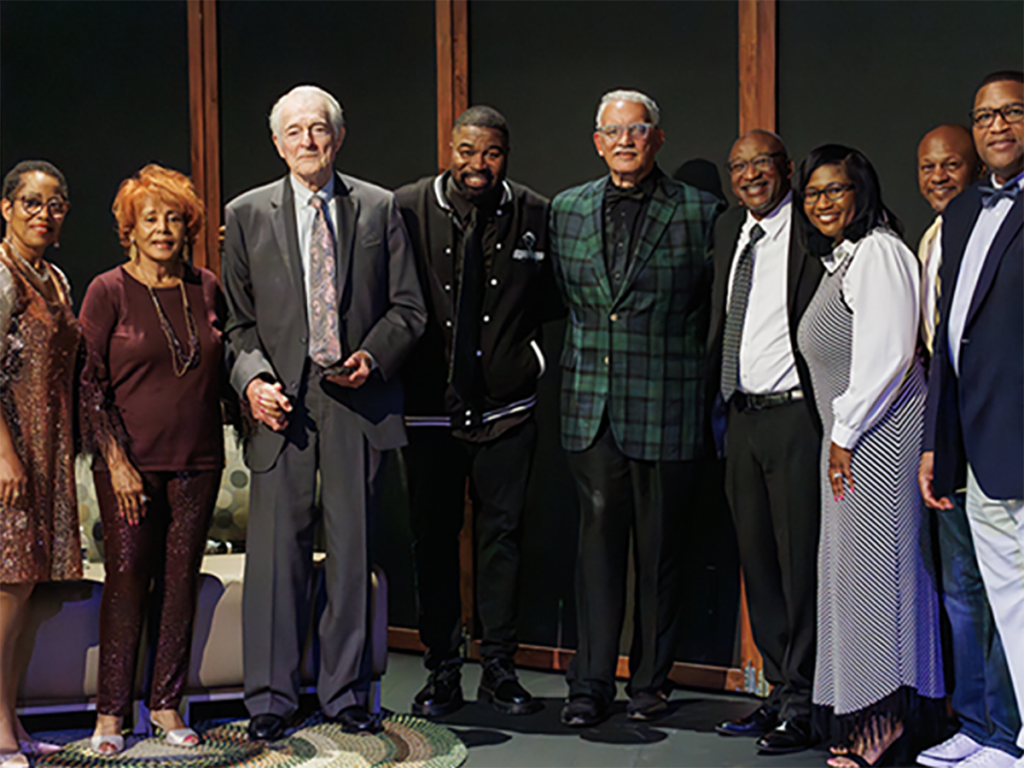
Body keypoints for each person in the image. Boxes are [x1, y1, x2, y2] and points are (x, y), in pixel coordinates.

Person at [222, 84, 426, 741]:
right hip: (282, 406)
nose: (308, 142)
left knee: (350, 551)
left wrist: (374, 356)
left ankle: (346, 696)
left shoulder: (379, 207)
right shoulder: (246, 214)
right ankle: (271, 701)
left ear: (338, 137)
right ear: (276, 143)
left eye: (319, 129)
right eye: (295, 132)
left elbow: (408, 309)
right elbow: (237, 325)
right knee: (275, 560)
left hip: (355, 399)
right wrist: (252, 382)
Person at [549, 89, 722, 727]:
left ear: (658, 138)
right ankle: (588, 684)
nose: (625, 141)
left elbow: (715, 313)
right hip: (589, 406)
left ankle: (650, 682)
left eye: (637, 129)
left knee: (660, 553)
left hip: (668, 404)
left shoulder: (701, 212)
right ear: (597, 141)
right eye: (613, 131)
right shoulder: (566, 209)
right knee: (595, 552)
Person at [395, 106, 562, 717]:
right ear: (450, 147)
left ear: (506, 154)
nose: (477, 165)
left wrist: (524, 356)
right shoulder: (405, 206)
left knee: (504, 541)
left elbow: (550, 302)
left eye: (490, 153)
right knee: (433, 542)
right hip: (430, 410)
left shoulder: (536, 214)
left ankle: (499, 668)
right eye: (467, 151)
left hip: (508, 410)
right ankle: (442, 669)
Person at [794, 144, 945, 767]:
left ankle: (884, 724)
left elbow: (888, 358)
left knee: (881, 583)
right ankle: (865, 711)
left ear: (863, 193)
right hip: (854, 442)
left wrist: (843, 434)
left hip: (877, 440)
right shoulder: (844, 260)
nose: (823, 203)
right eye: (813, 193)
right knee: (851, 584)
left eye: (836, 190)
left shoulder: (879, 251)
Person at [79, 165, 225, 754]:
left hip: (200, 460)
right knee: (127, 581)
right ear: (129, 230)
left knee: (179, 583)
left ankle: (165, 705)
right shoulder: (107, 290)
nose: (162, 228)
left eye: (172, 217)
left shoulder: (207, 286)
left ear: (187, 225)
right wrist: (115, 462)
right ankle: (111, 715)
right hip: (129, 466)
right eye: (149, 219)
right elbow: (89, 385)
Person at [921, 70, 1024, 768]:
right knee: (998, 597)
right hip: (972, 439)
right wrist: (935, 444)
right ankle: (996, 731)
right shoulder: (960, 215)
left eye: (1012, 113)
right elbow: (947, 343)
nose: (997, 126)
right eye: (985, 116)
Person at [708, 130, 823, 755]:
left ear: (785, 169)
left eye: (762, 164)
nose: (750, 175)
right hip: (741, 416)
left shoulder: (810, 228)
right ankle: (779, 690)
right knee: (759, 562)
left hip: (796, 418)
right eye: (739, 167)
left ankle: (806, 700)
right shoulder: (731, 231)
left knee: (799, 560)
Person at [0, 161, 80, 767]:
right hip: (9, 453)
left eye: (54, 205)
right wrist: (6, 456)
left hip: (46, 447)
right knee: (7, 592)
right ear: (6, 208)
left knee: (27, 595)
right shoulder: (1, 275)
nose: (42, 214)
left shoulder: (54, 278)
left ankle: (13, 720)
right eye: (30, 202)